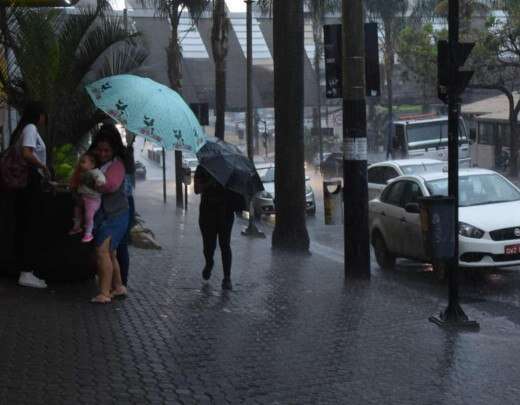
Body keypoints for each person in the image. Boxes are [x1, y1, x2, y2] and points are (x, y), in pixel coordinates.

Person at [89, 124, 129, 303]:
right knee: (110, 253)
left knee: (102, 251)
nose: (103, 154)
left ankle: (104, 293)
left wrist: (93, 182)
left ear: (114, 150)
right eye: (99, 150)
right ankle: (118, 287)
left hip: (116, 215)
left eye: (107, 150)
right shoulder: (101, 163)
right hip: (107, 215)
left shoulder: (117, 165)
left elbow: (111, 185)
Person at [11, 101, 50, 289]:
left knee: (24, 224)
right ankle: (26, 272)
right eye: (44, 114)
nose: (45, 118)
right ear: (39, 114)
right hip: (30, 181)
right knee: (30, 224)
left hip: (26, 182)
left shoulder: (25, 128)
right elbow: (27, 153)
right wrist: (42, 166)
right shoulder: (31, 128)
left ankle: (24, 270)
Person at [194, 165, 243, 291]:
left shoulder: (231, 169)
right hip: (207, 213)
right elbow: (196, 189)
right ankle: (209, 263)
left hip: (225, 212)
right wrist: (210, 183)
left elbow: (237, 189)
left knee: (225, 245)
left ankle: (227, 278)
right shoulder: (203, 168)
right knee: (208, 246)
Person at [69, 152, 106, 242]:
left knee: (89, 215)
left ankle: (88, 233)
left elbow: (101, 179)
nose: (80, 164)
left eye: (83, 162)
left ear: (92, 164)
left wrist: (99, 182)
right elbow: (74, 182)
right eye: (81, 161)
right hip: (84, 197)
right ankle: (77, 226)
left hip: (93, 199)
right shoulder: (82, 172)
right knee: (77, 210)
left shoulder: (95, 171)